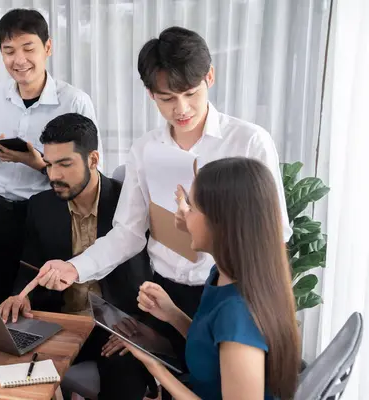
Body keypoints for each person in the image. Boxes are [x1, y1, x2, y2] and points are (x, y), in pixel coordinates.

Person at [28, 26, 292, 362]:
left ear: (209, 77)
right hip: (162, 296)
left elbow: (275, 234)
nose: (181, 108)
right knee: (144, 379)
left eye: (190, 93)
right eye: (167, 98)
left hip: (230, 296)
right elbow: (128, 233)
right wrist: (74, 268)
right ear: (151, 94)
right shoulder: (145, 150)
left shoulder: (249, 142)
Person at [0, 113, 153, 400]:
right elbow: (29, 269)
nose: (53, 175)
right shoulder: (41, 207)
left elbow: (154, 277)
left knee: (125, 373)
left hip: (118, 328)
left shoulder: (131, 205)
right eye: (49, 164)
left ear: (93, 159)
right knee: (9, 375)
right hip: (62, 324)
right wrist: (20, 296)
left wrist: (144, 330)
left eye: (65, 164)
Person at [121, 157, 300, 400]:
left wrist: (157, 370)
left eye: (191, 207)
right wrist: (172, 314)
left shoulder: (238, 314)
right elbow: (212, 349)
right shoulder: (224, 274)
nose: (183, 214)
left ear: (220, 222)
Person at [0, 9, 100, 305]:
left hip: (50, 212)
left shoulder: (74, 101)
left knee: (42, 299)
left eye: (28, 48)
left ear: (48, 48)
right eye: (9, 51)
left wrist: (36, 162)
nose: (19, 60)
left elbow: (89, 171)